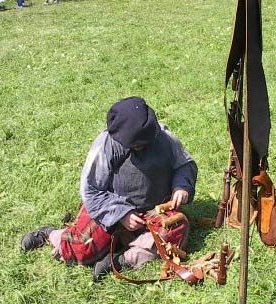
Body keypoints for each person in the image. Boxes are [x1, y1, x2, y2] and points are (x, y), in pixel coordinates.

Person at [21, 97, 198, 281]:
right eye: (137, 146)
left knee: (176, 229)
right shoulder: (106, 144)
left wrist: (181, 186)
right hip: (112, 211)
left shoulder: (165, 138)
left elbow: (185, 164)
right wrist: (122, 214)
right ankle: (51, 235)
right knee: (83, 246)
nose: (142, 148)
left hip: (154, 211)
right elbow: (91, 190)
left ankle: (122, 259)